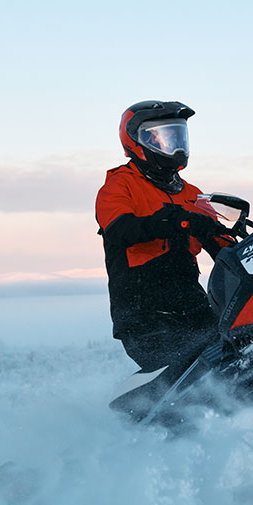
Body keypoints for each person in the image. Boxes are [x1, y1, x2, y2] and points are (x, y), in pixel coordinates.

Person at [95, 101, 234, 385]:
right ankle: (148, 410)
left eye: (177, 136)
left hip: (190, 302)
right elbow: (120, 230)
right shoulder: (119, 185)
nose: (175, 146)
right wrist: (178, 220)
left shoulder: (192, 193)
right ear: (136, 141)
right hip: (142, 310)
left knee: (230, 354)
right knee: (186, 372)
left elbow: (222, 244)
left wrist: (245, 244)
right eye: (162, 137)